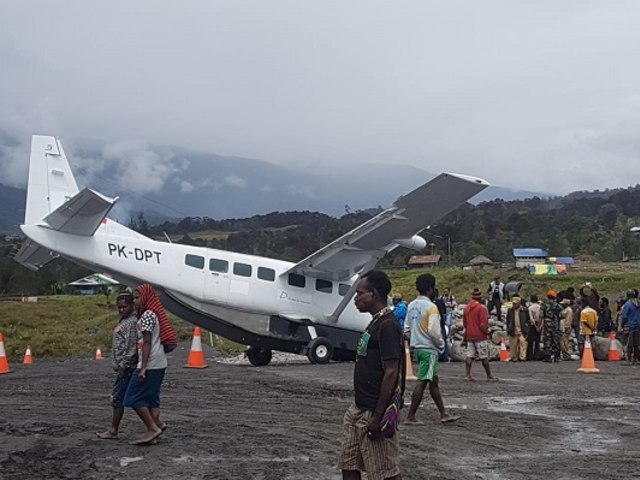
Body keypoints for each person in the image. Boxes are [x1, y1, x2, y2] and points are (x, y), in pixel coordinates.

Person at [338, 270, 403, 480]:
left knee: (383, 471)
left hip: (374, 410)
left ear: (373, 294)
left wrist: (378, 416)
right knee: (349, 464)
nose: (356, 299)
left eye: (360, 294)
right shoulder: (375, 322)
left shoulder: (388, 325)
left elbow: (392, 372)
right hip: (358, 407)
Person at [404, 274, 459, 425]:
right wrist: (441, 345)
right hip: (429, 349)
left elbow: (406, 329)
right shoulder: (431, 307)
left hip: (418, 348)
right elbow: (434, 331)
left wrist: (416, 338)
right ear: (431, 288)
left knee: (433, 381)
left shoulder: (411, 305)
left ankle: (444, 413)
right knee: (423, 381)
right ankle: (410, 417)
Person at [123, 284, 169, 445]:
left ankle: (152, 428)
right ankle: (158, 425)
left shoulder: (148, 315)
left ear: (146, 297)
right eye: (134, 298)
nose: (135, 301)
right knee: (151, 398)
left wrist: (143, 368)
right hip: (159, 362)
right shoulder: (148, 314)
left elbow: (147, 342)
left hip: (150, 363)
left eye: (137, 298)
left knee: (132, 397)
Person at [97, 292, 138, 439]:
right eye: (119, 307)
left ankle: (113, 430)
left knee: (119, 398)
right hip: (123, 366)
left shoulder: (131, 323)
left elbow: (132, 347)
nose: (121, 310)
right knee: (130, 399)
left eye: (125, 306)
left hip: (127, 368)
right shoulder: (124, 321)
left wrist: (123, 364)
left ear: (132, 306)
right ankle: (155, 425)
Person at [463, 288, 498, 382]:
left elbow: (465, 324)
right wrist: (487, 332)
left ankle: (467, 375)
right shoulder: (481, 308)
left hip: (470, 335)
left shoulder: (466, 308)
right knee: (484, 356)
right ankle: (489, 376)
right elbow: (483, 324)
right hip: (479, 335)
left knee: (469, 355)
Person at [505, 297, 530, 362]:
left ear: (519, 303)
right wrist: (508, 329)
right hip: (513, 330)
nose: (514, 305)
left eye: (515, 303)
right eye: (513, 303)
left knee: (523, 344)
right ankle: (513, 357)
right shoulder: (510, 310)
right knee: (513, 345)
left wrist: (527, 328)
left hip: (522, 330)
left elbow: (528, 319)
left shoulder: (524, 310)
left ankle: (522, 357)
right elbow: (507, 320)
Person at [541, 290, 562, 363]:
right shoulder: (558, 305)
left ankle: (548, 357)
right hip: (555, 324)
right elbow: (562, 315)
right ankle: (557, 357)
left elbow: (541, 315)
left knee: (547, 340)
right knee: (555, 340)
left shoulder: (544, 304)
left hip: (547, 323)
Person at [621, 289, 640, 364]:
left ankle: (629, 360)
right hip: (638, 325)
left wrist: (622, 324)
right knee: (637, 343)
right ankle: (636, 359)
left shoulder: (628, 304)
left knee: (629, 343)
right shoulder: (638, 303)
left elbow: (625, 316)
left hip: (629, 325)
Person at [527, 294, 543, 361]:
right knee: (537, 342)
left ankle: (530, 356)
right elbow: (542, 317)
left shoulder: (530, 308)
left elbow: (531, 318)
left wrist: (535, 326)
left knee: (530, 341)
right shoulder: (540, 307)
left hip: (532, 325)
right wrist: (540, 326)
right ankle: (536, 356)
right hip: (539, 324)